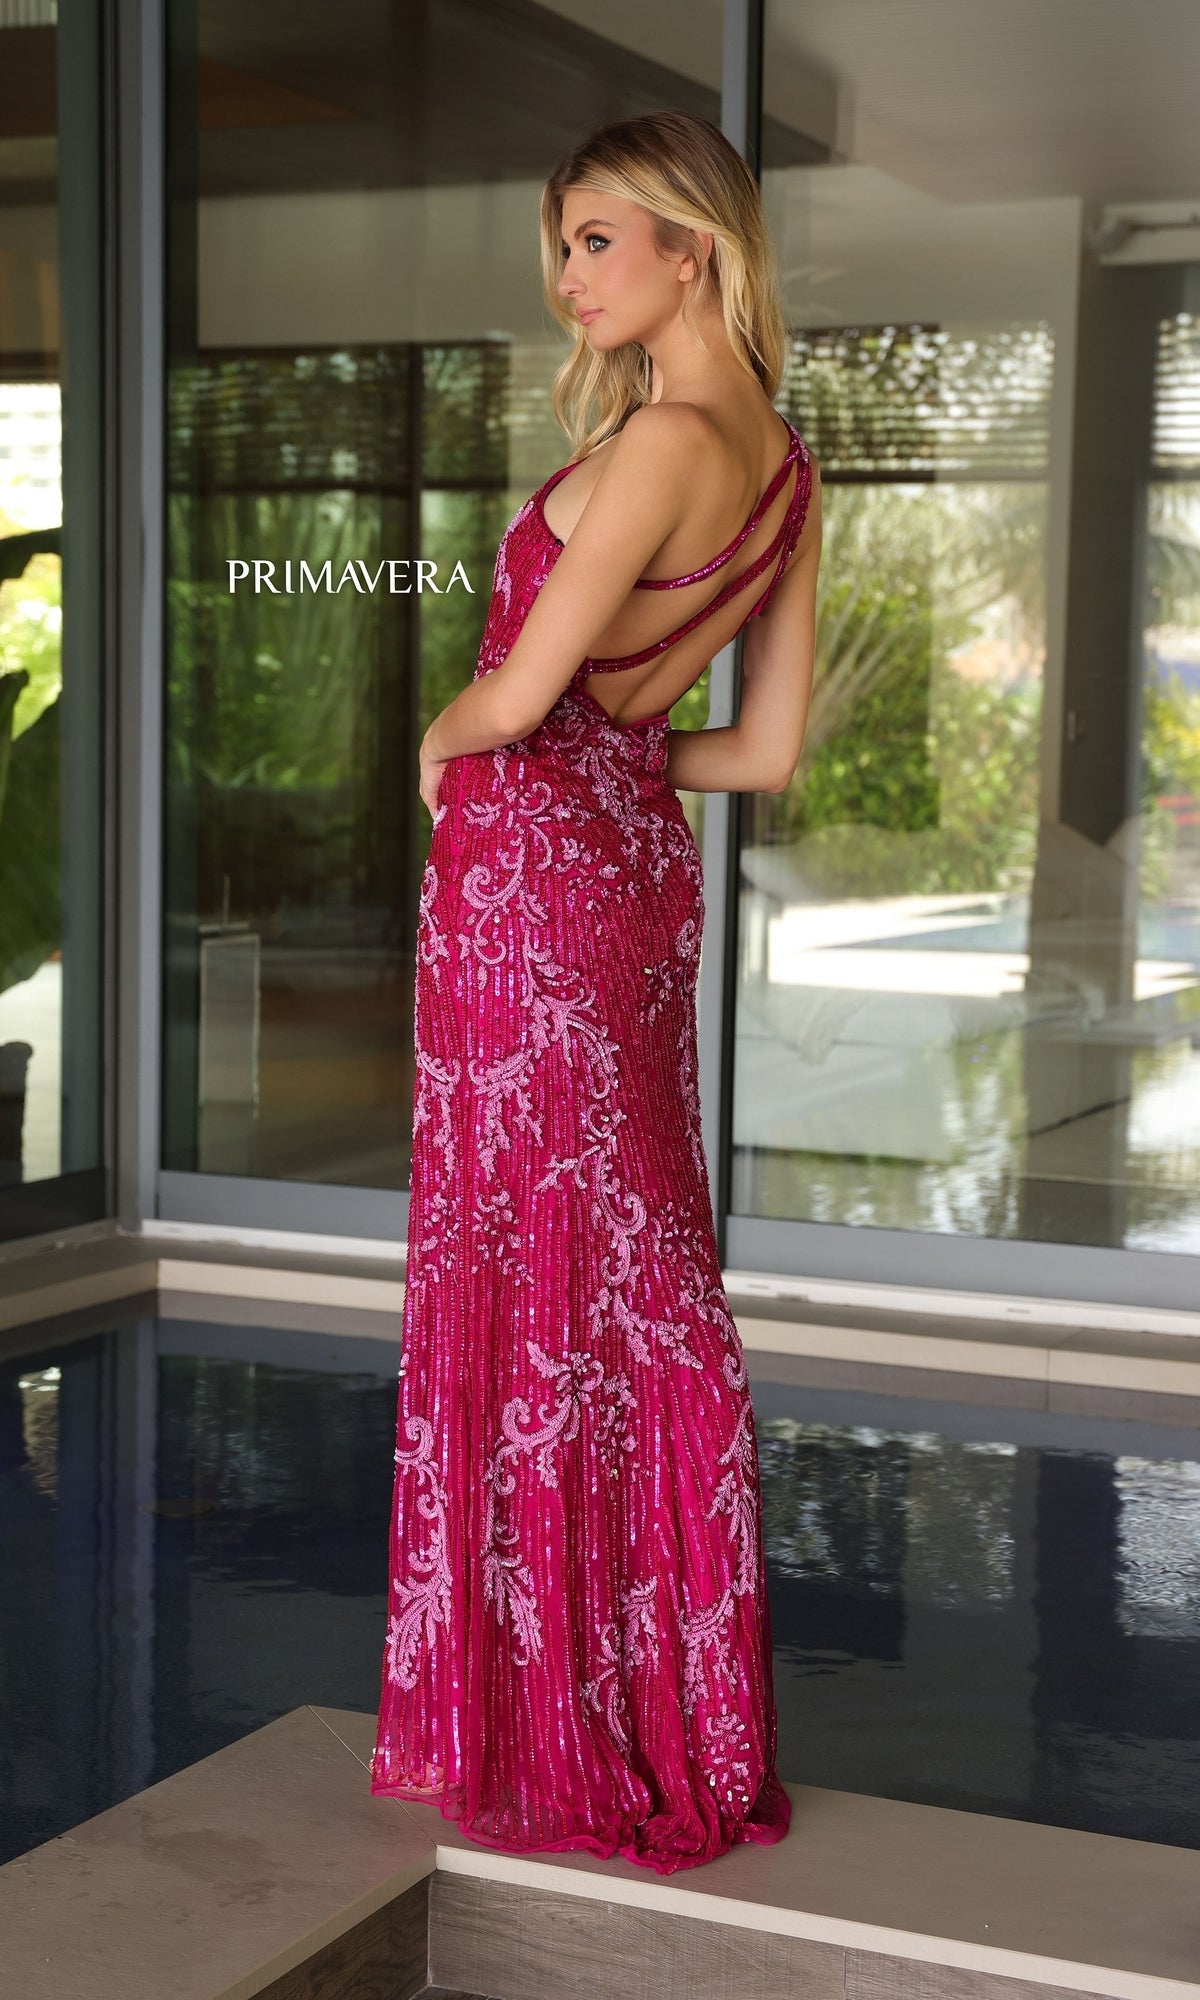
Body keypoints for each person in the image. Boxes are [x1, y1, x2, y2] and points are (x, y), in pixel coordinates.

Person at [370, 108, 821, 1875]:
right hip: (629, 873)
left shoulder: (661, 442)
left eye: (594, 242)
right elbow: (763, 744)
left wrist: (451, 739)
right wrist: (620, 757)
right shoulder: (786, 464)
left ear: (689, 248)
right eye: (560, 245)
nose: (566, 278)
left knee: (534, 1264)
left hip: (528, 882)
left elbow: (515, 687)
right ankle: (666, 1710)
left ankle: (561, 1726)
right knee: (634, 1269)